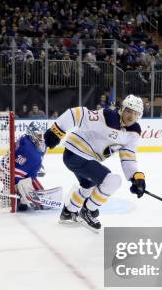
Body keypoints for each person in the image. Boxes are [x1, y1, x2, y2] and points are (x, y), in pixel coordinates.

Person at [43, 95, 146, 231]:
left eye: (136, 113)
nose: (131, 116)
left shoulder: (134, 132)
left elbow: (128, 155)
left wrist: (136, 177)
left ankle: (69, 212)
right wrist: (56, 131)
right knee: (112, 181)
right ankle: (88, 211)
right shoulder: (108, 116)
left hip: (85, 159)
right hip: (76, 154)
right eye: (128, 111)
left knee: (88, 186)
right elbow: (76, 113)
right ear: (122, 109)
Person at [3, 122, 47, 211]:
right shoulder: (29, 149)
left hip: (7, 169)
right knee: (28, 182)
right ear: (32, 134)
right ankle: (22, 197)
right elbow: (31, 172)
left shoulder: (25, 139)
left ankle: (10, 190)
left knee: (24, 181)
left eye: (42, 135)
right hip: (9, 171)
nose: (41, 138)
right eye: (38, 135)